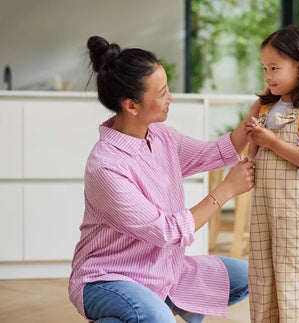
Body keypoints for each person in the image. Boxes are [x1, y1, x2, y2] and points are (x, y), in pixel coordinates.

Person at [68, 35, 260, 323]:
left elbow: (215, 153)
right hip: (106, 278)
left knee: (249, 276)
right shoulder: (106, 166)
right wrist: (226, 190)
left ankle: (154, 305)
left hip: (161, 271)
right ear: (131, 105)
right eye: (162, 93)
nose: (170, 98)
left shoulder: (161, 137)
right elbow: (166, 231)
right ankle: (151, 311)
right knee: (157, 319)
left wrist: (262, 103)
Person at [245, 26, 299, 322]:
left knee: (295, 281)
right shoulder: (267, 109)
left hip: (296, 216)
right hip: (264, 211)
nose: (268, 76)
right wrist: (262, 102)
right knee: (263, 278)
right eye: (264, 68)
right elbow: (249, 148)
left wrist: (272, 141)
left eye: (274, 68)